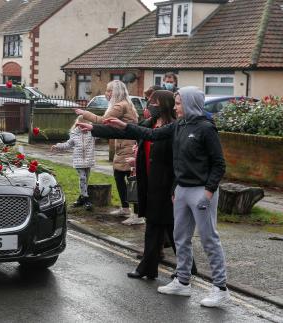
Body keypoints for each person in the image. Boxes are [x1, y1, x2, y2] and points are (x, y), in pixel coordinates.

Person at [78, 86, 229, 308]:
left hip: (201, 191)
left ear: (190, 103)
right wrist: (124, 125)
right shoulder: (180, 125)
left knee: (209, 239)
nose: (176, 107)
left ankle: (220, 289)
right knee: (180, 238)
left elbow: (219, 164)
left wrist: (208, 192)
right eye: (176, 103)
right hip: (182, 190)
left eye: (179, 103)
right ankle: (183, 281)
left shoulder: (206, 129)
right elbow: (151, 134)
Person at [74, 80, 139, 219]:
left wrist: (84, 113)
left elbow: (102, 120)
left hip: (127, 147)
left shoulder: (120, 106)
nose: (106, 93)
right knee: (121, 177)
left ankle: (137, 214)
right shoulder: (125, 104)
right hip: (123, 146)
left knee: (131, 180)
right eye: (106, 90)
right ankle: (126, 208)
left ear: (116, 92)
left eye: (109, 91)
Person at [51, 115, 95, 210]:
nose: (83, 128)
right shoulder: (74, 134)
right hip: (78, 161)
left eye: (85, 125)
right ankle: (86, 199)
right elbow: (68, 144)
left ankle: (81, 198)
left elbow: (103, 133)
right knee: (82, 178)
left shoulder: (92, 133)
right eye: (81, 126)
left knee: (85, 180)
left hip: (88, 160)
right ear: (78, 124)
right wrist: (57, 146)